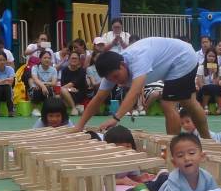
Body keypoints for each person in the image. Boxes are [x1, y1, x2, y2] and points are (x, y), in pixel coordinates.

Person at [75, 36, 211, 138]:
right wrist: (79, 126)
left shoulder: (138, 59)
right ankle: (207, 140)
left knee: (167, 104)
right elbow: (98, 99)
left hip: (183, 58)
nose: (116, 81)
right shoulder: (111, 71)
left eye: (116, 77)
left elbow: (134, 92)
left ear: (123, 65)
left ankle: (173, 147)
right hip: (175, 60)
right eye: (112, 80)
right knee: (189, 103)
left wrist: (116, 118)